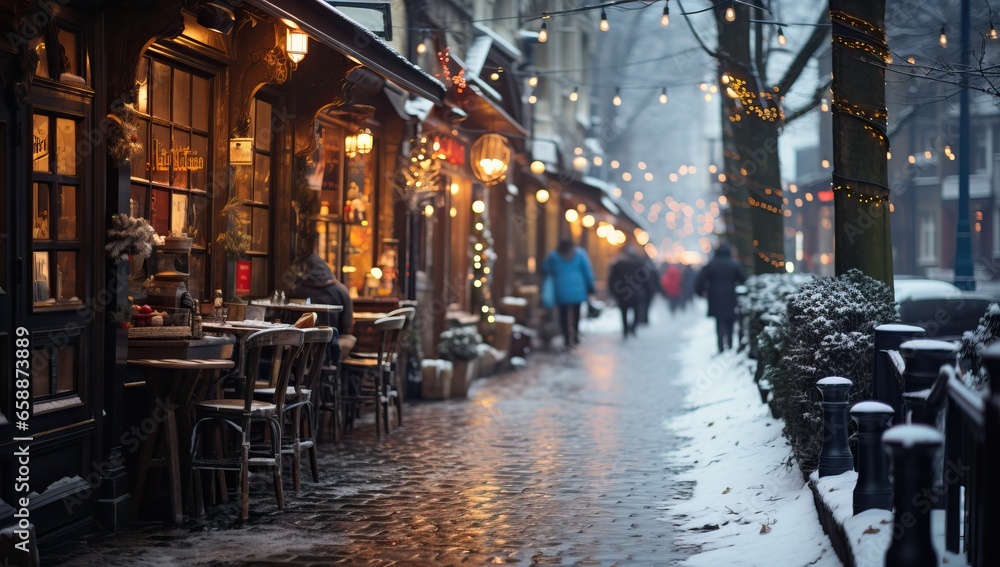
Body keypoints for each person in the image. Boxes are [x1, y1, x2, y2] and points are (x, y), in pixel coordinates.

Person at [289, 253, 355, 361]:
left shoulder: (298, 290)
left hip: (298, 351)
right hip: (330, 350)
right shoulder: (341, 290)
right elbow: (347, 328)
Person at [694, 243, 746, 353]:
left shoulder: (711, 265)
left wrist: (701, 293)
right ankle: (730, 345)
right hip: (730, 296)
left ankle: (721, 347)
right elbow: (743, 279)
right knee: (730, 320)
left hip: (715, 297)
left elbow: (700, 281)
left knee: (719, 321)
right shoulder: (733, 264)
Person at [544, 238, 595, 348]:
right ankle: (575, 336)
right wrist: (591, 287)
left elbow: (546, 269)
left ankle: (566, 338)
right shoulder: (580, 254)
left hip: (561, 289)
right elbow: (587, 271)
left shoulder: (554, 255)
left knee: (563, 314)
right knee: (576, 314)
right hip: (578, 289)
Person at [608, 246, 649, 337]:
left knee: (624, 313)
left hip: (623, 293)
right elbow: (644, 279)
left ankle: (626, 331)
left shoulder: (618, 265)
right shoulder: (638, 264)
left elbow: (612, 280)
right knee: (636, 312)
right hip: (635, 293)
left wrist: (614, 292)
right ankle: (632, 329)